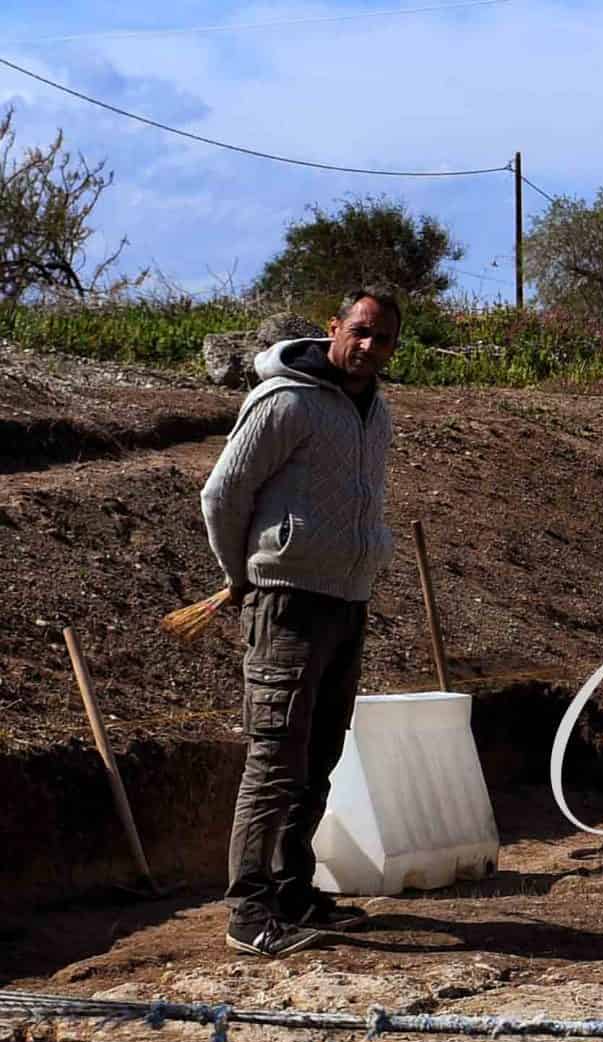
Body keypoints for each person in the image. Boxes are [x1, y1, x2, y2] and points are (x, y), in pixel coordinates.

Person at [200, 284, 404, 957]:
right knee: (275, 758)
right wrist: (242, 575)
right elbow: (223, 494)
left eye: (382, 338)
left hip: (347, 602)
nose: (369, 346)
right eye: (360, 331)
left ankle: (292, 891)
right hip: (286, 602)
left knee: (319, 757)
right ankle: (248, 910)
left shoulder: (376, 412)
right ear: (333, 326)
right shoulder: (285, 400)